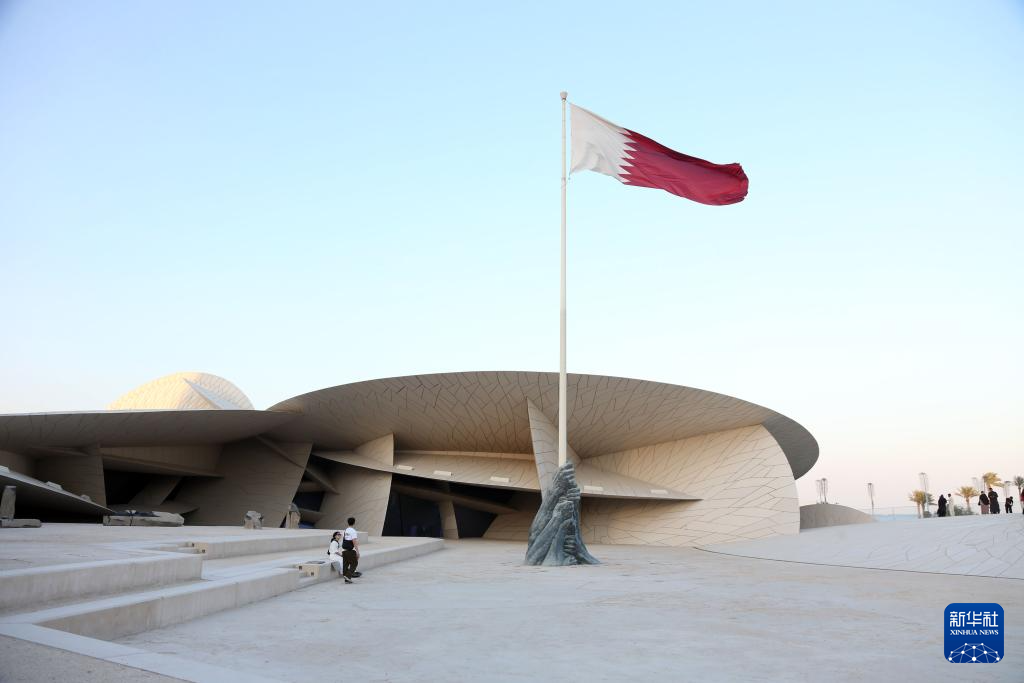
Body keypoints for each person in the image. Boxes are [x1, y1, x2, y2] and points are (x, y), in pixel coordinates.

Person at [342, 517, 360, 581]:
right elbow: (354, 541)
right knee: (354, 563)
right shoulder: (353, 531)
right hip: (349, 550)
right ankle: (348, 576)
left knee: (345, 564)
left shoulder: (346, 530)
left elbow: (344, 539)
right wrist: (357, 551)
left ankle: (346, 578)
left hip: (344, 550)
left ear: (348, 522)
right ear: (354, 523)